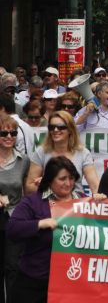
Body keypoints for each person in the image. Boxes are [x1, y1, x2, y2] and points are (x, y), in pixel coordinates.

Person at [7, 157, 98, 302]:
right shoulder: (33, 202)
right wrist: (39, 224)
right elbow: (12, 229)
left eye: (71, 178)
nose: (68, 183)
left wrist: (105, 206)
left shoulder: (83, 201)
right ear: (49, 180)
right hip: (34, 284)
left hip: (70, 284)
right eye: (62, 179)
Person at [27, 111, 99, 196]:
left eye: (61, 127)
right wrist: (46, 186)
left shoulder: (83, 153)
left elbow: (95, 186)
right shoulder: (41, 152)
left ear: (70, 130)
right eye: (52, 127)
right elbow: (29, 187)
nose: (55, 130)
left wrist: (98, 196)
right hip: (49, 204)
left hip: (75, 204)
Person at [0, 115, 30, 302]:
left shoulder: (23, 160)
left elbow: (27, 192)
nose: (9, 136)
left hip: (13, 219)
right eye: (4, 133)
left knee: (13, 267)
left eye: (13, 132)